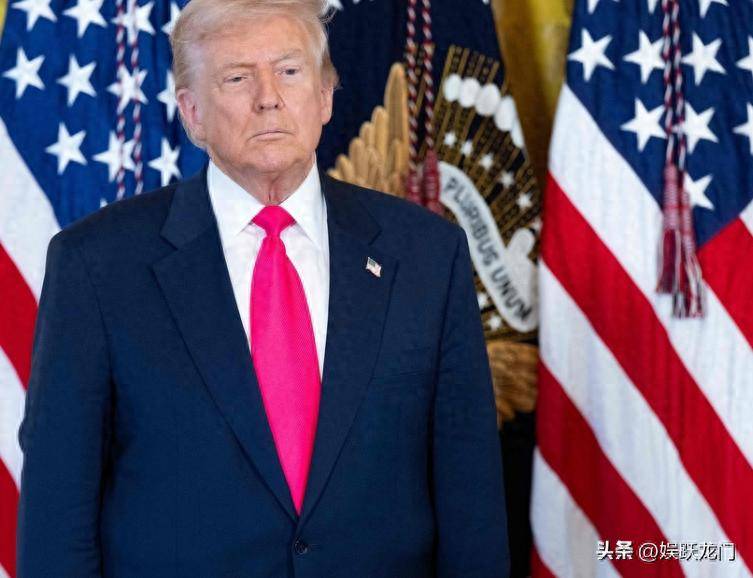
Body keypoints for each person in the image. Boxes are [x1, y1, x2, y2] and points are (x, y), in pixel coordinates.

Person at [16, 0, 510, 576]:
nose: (268, 97)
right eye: (237, 78)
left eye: (289, 71)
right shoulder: (96, 265)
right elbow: (57, 510)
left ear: (325, 96)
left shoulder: (427, 254)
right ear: (192, 113)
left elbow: (470, 491)